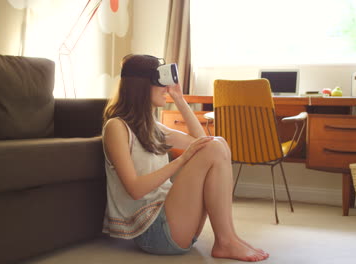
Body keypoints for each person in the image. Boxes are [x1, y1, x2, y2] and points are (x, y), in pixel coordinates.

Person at [101, 54, 269, 262]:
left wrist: (180, 99)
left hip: (172, 218)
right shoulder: (116, 127)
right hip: (153, 231)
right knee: (215, 146)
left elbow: (203, 144)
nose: (166, 89)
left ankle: (228, 237)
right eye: (161, 84)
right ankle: (226, 241)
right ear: (142, 87)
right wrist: (181, 160)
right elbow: (135, 189)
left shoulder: (151, 127)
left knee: (218, 143)